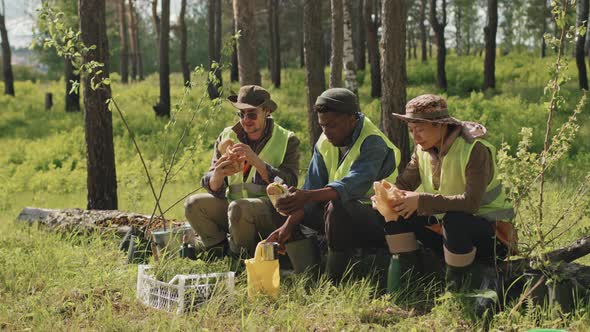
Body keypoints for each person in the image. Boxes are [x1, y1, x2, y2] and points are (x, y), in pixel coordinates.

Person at [377, 94, 515, 304]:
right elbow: (404, 184)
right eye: (411, 130)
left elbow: (471, 203)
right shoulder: (422, 149)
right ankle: (402, 291)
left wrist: (421, 200)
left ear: (441, 125)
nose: (415, 137)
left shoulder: (474, 150)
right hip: (447, 231)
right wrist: (386, 194)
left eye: (420, 129)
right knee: (396, 210)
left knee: (455, 220)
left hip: (494, 235)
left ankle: (457, 298)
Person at [267, 88, 401, 280]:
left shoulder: (373, 142)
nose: (326, 132)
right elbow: (310, 192)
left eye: (332, 125)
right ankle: (307, 274)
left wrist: (306, 197)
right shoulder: (325, 142)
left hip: (379, 219)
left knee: (338, 206)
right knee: (287, 205)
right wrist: (287, 226)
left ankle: (332, 278)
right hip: (339, 217)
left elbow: (351, 185)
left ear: (352, 118)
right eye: (322, 126)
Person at [184, 85, 300, 257]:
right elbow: (211, 182)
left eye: (251, 114)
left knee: (239, 208)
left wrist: (258, 163)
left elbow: (290, 183)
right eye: (241, 114)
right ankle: (219, 253)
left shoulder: (287, 139)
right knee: (193, 204)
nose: (245, 120)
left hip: (271, 213)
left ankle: (242, 258)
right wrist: (217, 176)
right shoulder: (227, 136)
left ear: (266, 111)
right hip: (233, 208)